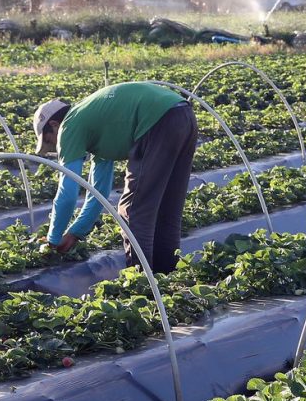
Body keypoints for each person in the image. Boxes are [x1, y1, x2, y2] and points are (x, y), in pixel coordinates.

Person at [32, 81, 198, 273]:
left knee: (133, 210)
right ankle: (166, 277)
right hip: (183, 114)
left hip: (157, 120)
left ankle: (142, 284)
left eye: (48, 140)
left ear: (54, 125)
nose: (53, 147)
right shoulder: (94, 123)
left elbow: (68, 192)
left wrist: (52, 240)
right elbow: (99, 193)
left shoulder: (69, 126)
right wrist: (75, 232)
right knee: (167, 207)